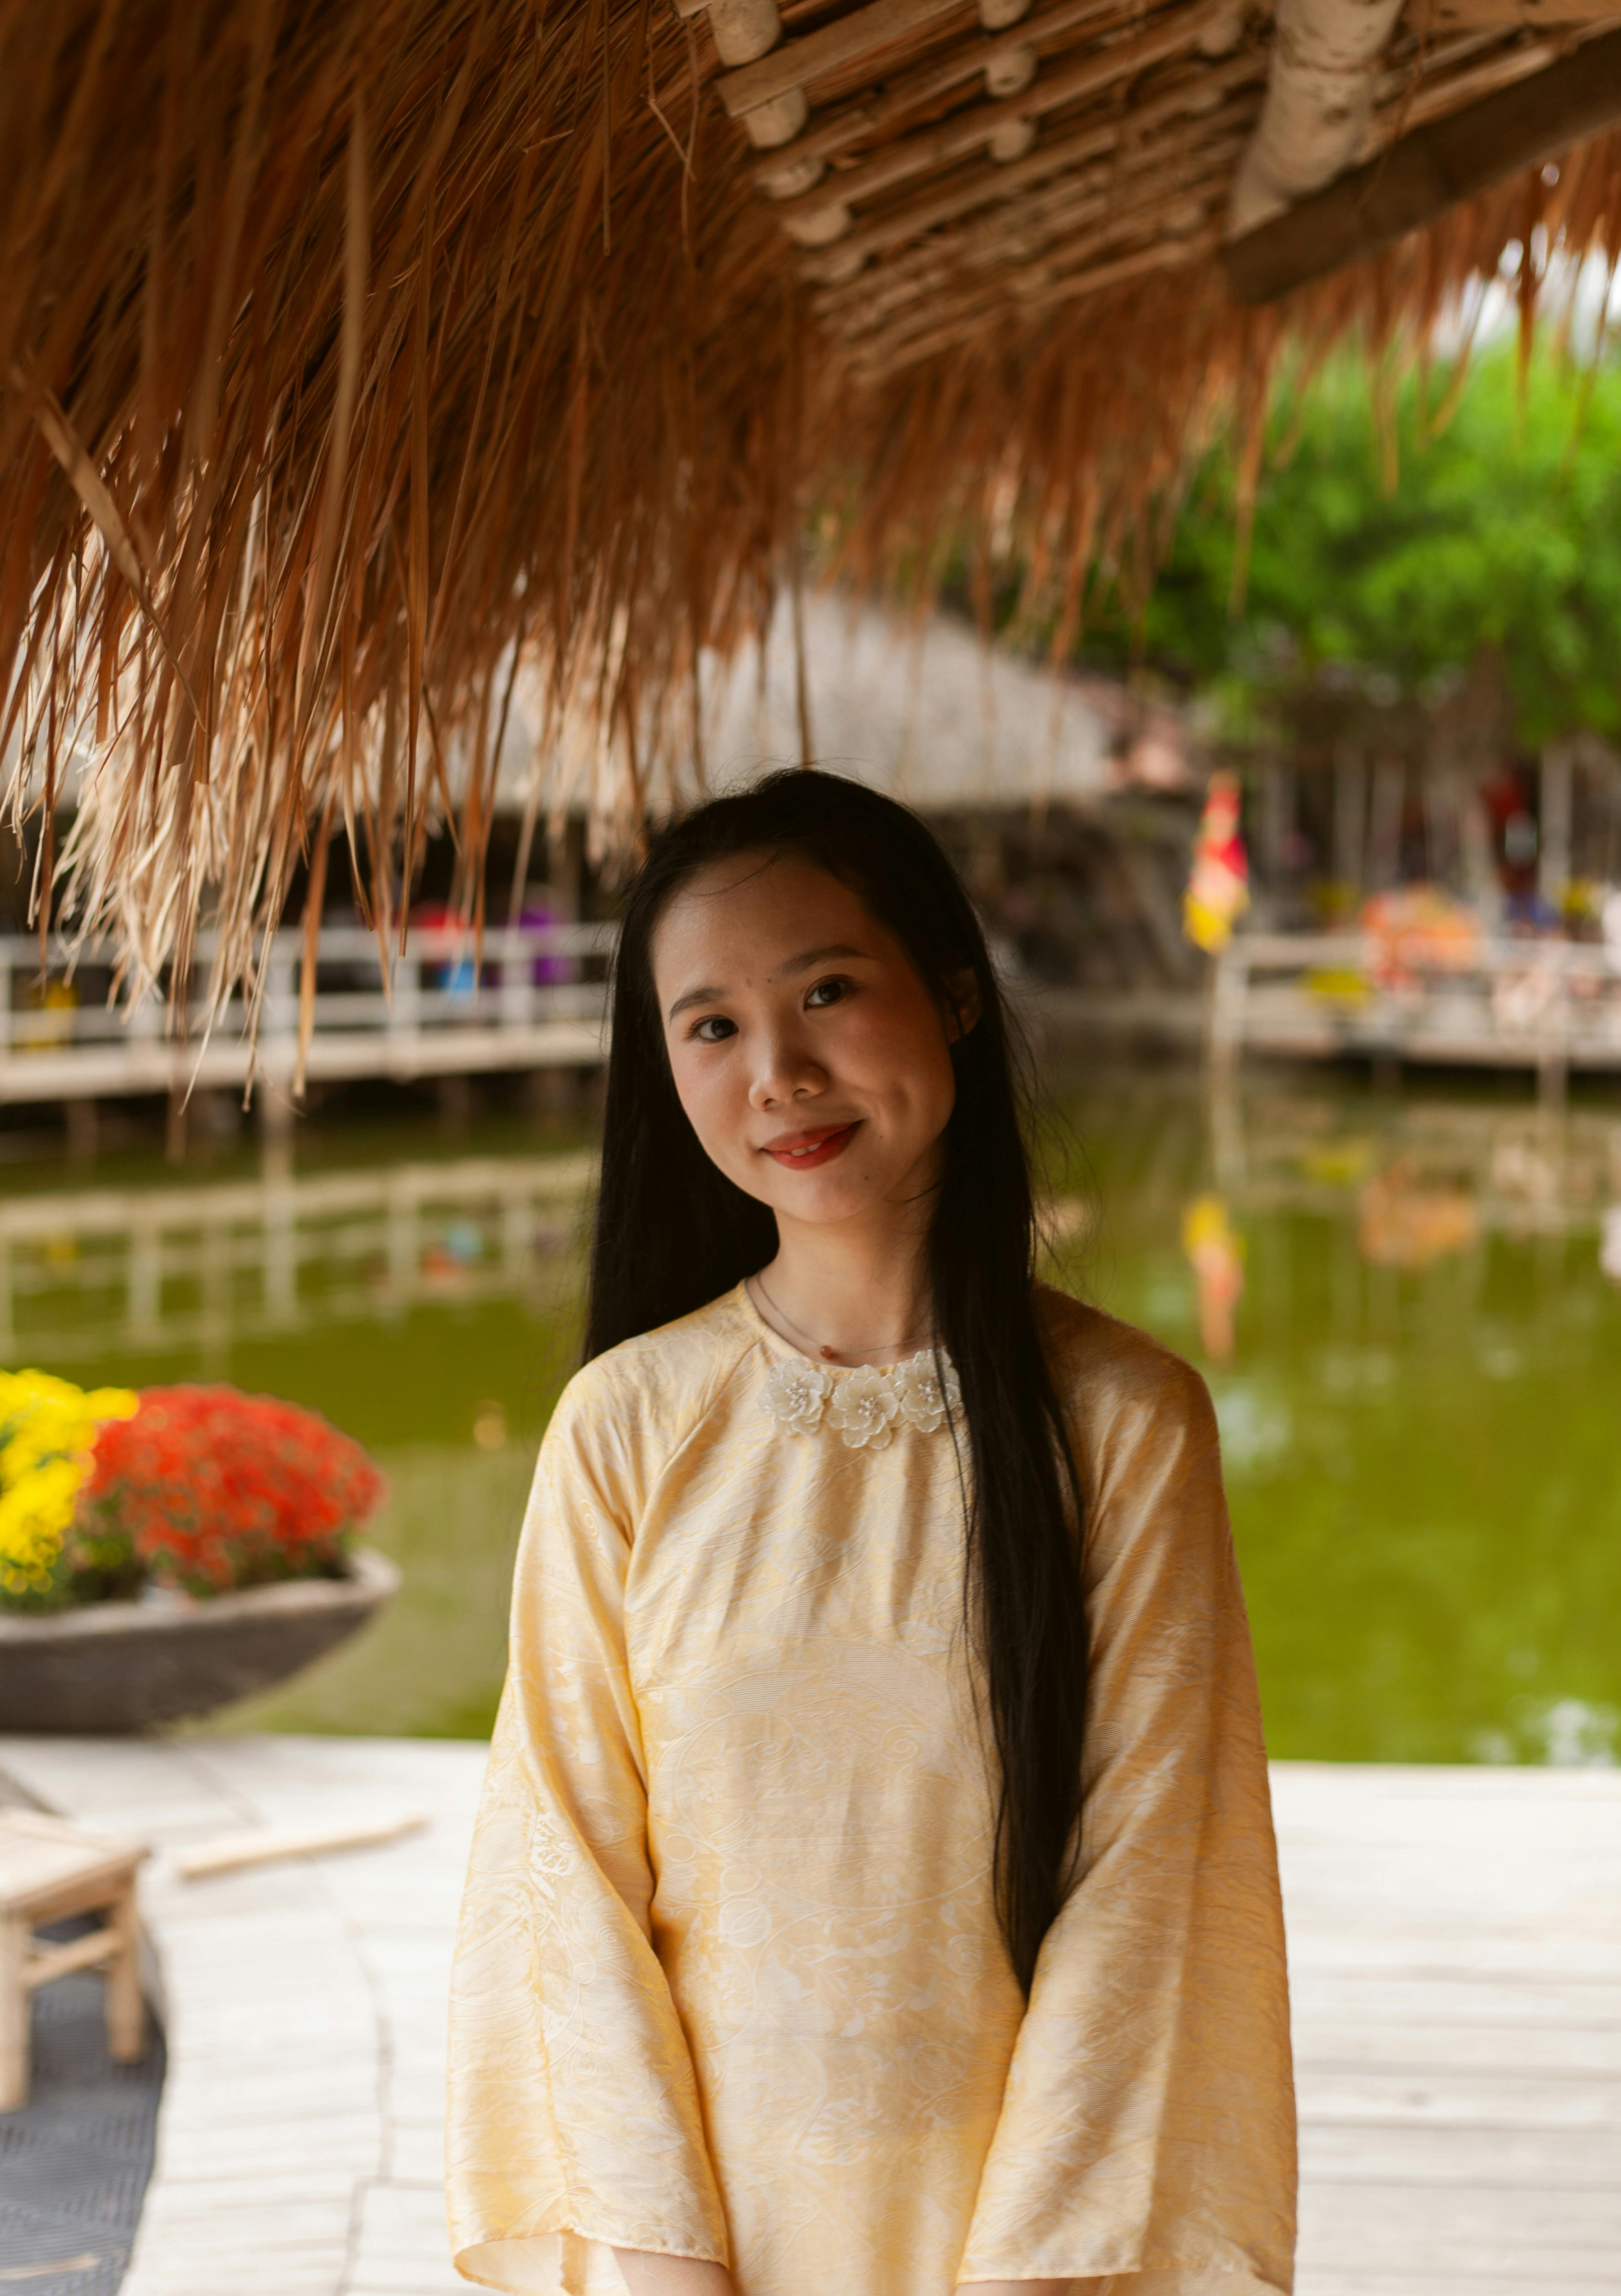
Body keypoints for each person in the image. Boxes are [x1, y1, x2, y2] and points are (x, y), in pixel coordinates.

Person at [447, 770, 1294, 2296]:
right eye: (712, 1026)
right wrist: (668, 2276)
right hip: (695, 2261)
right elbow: (561, 1884)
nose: (779, 1072)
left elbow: (1144, 1898)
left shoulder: (1125, 1426)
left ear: (955, 996)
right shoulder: (625, 1427)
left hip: (1023, 2263)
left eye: (827, 991)